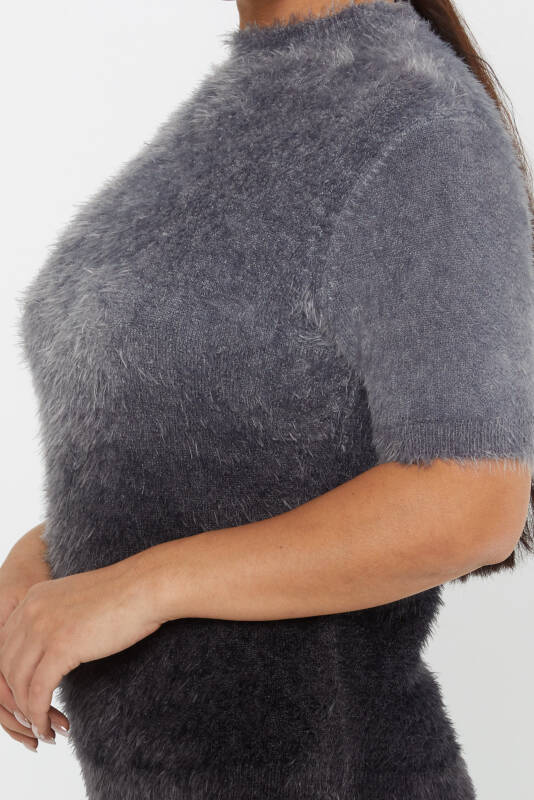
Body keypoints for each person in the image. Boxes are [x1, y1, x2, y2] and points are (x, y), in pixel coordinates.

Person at [1, 0, 533, 797]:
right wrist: (46, 561)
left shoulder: (417, 122)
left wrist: (143, 587)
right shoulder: (254, 100)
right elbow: (235, 456)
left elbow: (472, 500)